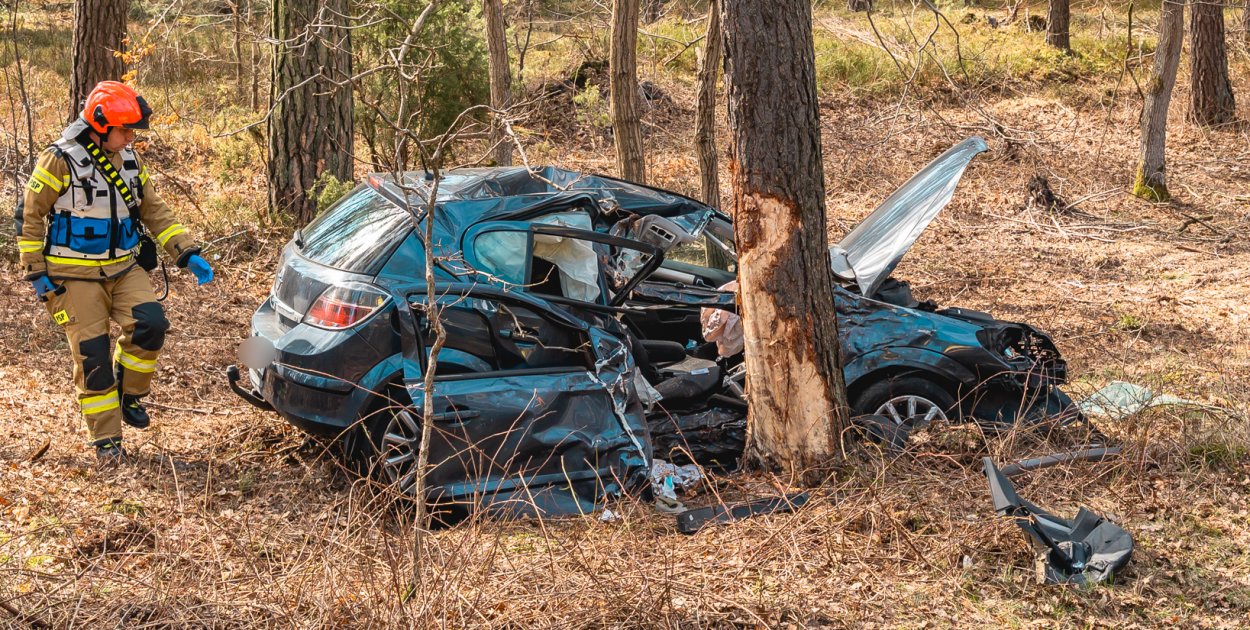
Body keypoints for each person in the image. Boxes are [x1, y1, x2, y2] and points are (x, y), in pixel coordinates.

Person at [15, 81, 214, 463]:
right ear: (101, 126)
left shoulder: (131, 162)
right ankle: (107, 442)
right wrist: (35, 272)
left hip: (123, 267)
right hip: (71, 275)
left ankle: (130, 393)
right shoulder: (59, 160)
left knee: (151, 324)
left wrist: (185, 251)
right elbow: (30, 217)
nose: (130, 138)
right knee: (92, 357)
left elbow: (155, 211)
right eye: (125, 130)